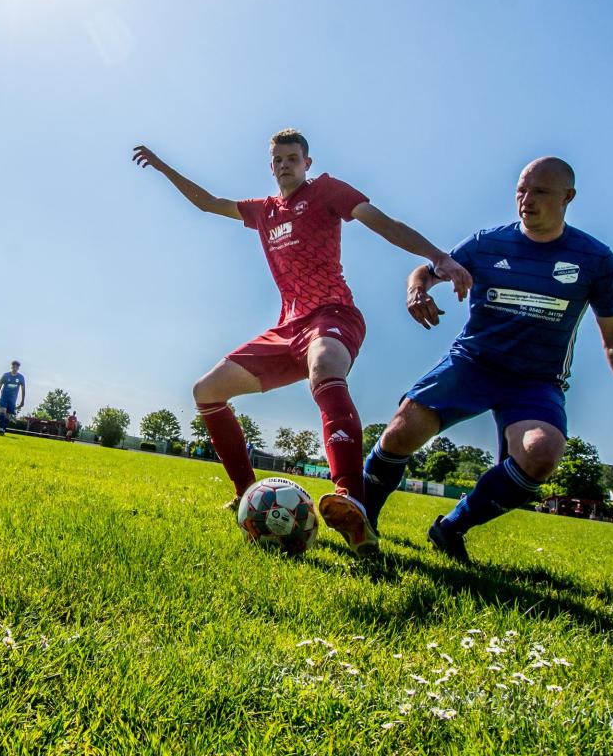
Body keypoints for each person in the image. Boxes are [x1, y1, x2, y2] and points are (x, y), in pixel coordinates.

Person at [133, 131, 471, 558]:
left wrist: (437, 256)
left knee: (326, 364)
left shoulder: (327, 191)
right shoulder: (263, 211)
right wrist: (164, 167)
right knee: (206, 391)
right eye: (278, 159)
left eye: (294, 158)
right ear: (270, 166)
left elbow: (383, 222)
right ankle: (245, 495)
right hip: (286, 330)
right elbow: (208, 202)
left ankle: (352, 502)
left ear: (307, 163)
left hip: (333, 315)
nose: (286, 165)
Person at [361, 157, 613, 564]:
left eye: (540, 191)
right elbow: (427, 271)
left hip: (535, 381)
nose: (526, 199)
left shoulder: (596, 260)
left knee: (542, 453)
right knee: (401, 431)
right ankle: (363, 521)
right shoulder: (487, 244)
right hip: (472, 364)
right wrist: (417, 290)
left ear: (567, 197)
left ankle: (451, 528)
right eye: (521, 189)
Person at [0, 361, 25, 436]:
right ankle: (1, 430)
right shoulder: (5, 375)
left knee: (8, 415)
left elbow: (23, 390)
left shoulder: (21, 377)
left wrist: (22, 401)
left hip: (13, 399)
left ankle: (3, 430)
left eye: (16, 367)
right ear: (11, 367)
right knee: (2, 411)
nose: (15, 368)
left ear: (18, 368)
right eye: (13, 366)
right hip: (4, 397)